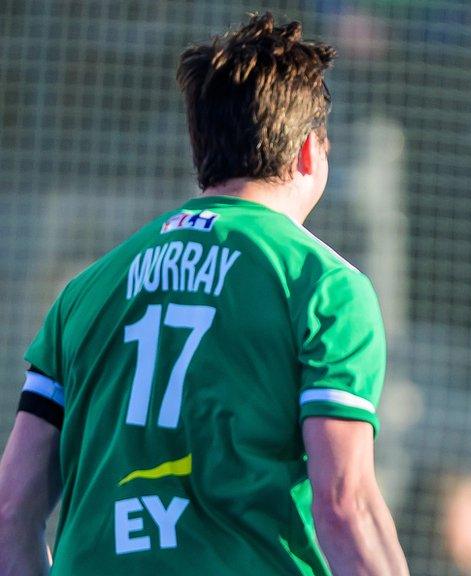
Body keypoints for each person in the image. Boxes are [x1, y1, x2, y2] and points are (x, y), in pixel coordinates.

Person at [0, 13, 408, 576]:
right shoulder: (325, 288)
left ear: (201, 145)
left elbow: (10, 509)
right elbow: (344, 506)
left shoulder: (83, 293)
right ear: (310, 153)